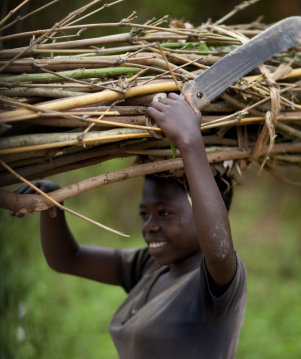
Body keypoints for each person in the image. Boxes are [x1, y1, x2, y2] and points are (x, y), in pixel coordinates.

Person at [11, 93, 247, 358]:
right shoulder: (151, 267)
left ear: (206, 206)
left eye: (165, 213)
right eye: (144, 214)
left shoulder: (217, 284)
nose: (149, 226)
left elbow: (219, 252)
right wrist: (51, 201)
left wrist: (189, 141)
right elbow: (68, 259)